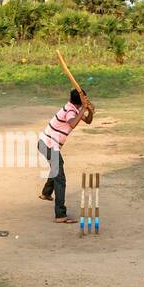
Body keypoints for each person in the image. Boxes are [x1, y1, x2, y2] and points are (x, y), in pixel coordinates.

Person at [37, 88, 94, 223]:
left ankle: (46, 193)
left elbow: (88, 121)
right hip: (48, 144)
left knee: (57, 168)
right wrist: (83, 108)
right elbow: (72, 123)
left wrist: (89, 110)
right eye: (85, 98)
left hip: (48, 144)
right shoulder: (70, 110)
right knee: (60, 178)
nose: (87, 99)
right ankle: (60, 214)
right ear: (80, 100)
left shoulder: (74, 109)